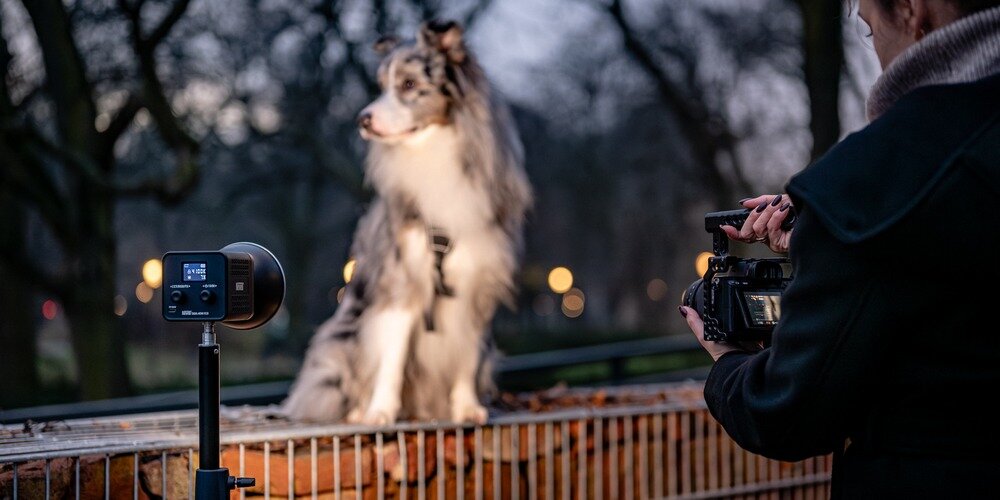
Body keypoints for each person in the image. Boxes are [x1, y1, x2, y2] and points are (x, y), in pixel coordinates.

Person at [679, 0, 1000, 497]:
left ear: (913, 10)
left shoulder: (876, 181)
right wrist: (827, 234)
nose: (877, 57)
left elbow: (785, 414)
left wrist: (726, 360)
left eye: (871, 31)